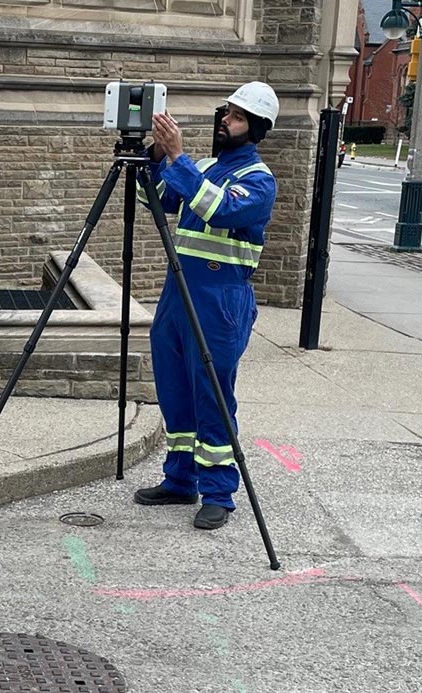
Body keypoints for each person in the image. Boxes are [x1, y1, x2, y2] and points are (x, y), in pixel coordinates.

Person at [132, 81, 279, 531]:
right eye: (225, 112)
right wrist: (154, 160)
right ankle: (180, 480)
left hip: (220, 301)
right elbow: (159, 201)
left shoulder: (259, 180)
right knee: (175, 389)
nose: (224, 121)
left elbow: (217, 210)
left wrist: (178, 158)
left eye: (235, 117)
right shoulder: (210, 167)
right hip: (179, 294)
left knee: (212, 396)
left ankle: (219, 492)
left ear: (254, 129)